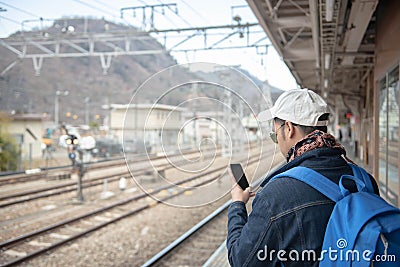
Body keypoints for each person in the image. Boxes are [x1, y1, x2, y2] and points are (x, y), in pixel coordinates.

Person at [226, 89, 379, 266]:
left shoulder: (275, 196)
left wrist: (237, 204)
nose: (277, 142)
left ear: (289, 128)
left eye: (275, 135)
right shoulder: (363, 179)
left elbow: (241, 260)